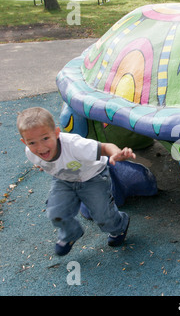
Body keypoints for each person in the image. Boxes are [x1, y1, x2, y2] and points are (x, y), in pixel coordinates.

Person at [17, 107, 135, 256]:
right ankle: (71, 233)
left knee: (102, 215)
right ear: (24, 142)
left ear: (56, 133)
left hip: (93, 177)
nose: (40, 147)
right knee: (56, 212)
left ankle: (119, 226)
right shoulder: (31, 153)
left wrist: (117, 153)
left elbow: (105, 147)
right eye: (32, 142)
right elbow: (45, 161)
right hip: (63, 180)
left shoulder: (74, 145)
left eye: (45, 138)